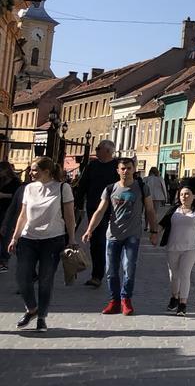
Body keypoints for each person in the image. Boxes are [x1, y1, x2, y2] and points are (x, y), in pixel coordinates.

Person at [7, 157, 78, 331]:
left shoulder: (63, 188)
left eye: (34, 170)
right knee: (22, 277)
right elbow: (23, 215)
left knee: (46, 279)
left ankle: (42, 317)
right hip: (28, 239)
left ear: (46, 171)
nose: (30, 173)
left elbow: (69, 216)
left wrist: (72, 239)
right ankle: (32, 308)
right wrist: (15, 237)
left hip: (53, 240)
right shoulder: (29, 188)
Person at [83, 157, 159, 315]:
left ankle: (126, 299)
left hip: (132, 235)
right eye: (123, 169)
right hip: (113, 235)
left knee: (128, 268)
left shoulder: (142, 187)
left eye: (129, 168)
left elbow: (150, 211)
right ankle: (114, 301)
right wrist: (89, 230)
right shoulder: (110, 189)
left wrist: (153, 231)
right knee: (111, 270)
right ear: (117, 170)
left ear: (134, 169)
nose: (126, 171)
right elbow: (100, 211)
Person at [158, 185, 195, 316]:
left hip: (190, 248)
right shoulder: (173, 210)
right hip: (172, 247)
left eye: (187, 194)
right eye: (182, 194)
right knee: (174, 275)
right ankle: (174, 297)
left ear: (194, 196)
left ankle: (182, 304)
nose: (184, 196)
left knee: (185, 274)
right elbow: (162, 224)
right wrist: (155, 234)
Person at [75, 140, 120, 288]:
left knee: (109, 242)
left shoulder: (118, 167)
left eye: (98, 148)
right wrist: (78, 204)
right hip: (94, 208)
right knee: (96, 241)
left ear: (108, 151)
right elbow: (82, 186)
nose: (96, 150)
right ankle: (97, 275)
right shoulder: (92, 165)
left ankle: (108, 273)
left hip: (114, 210)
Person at [0, 162, 21, 272]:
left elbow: (17, 197)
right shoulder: (1, 181)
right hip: (1, 210)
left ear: (6, 171)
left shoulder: (16, 182)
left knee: (5, 236)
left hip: (9, 212)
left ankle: (4, 261)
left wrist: (4, 195)